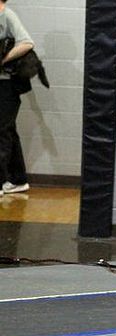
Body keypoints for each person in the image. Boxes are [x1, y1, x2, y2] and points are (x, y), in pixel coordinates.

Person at [0, 0, 33, 197]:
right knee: (8, 129)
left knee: (1, 130)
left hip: (7, 83)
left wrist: (3, 59)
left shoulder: (7, 15)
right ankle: (18, 179)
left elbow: (27, 42)